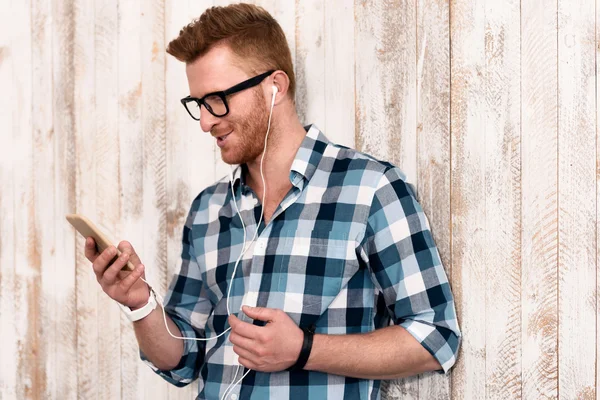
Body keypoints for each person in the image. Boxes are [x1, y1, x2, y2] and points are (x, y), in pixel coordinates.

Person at [84, 3, 461, 399]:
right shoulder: (208, 210)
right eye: (198, 104)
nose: (207, 121)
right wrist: (140, 304)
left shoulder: (369, 188)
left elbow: (436, 336)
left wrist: (304, 350)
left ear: (275, 86)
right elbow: (183, 361)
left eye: (217, 98)